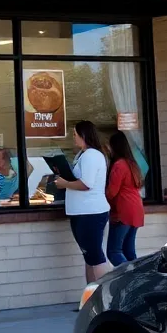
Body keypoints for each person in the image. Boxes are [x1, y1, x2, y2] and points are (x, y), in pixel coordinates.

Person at [53, 120, 113, 283]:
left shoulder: (92, 155)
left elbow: (86, 184)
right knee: (89, 256)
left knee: (95, 256)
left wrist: (65, 184)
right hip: (81, 212)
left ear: (84, 135)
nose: (74, 138)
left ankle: (106, 296)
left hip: (90, 212)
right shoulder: (83, 155)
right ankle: (90, 298)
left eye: (75, 134)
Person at [105, 132, 144, 266]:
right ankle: (138, 280)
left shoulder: (119, 165)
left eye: (109, 146)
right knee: (129, 251)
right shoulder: (132, 163)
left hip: (123, 211)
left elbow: (111, 192)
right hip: (136, 209)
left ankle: (129, 279)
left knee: (114, 252)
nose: (108, 149)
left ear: (115, 147)